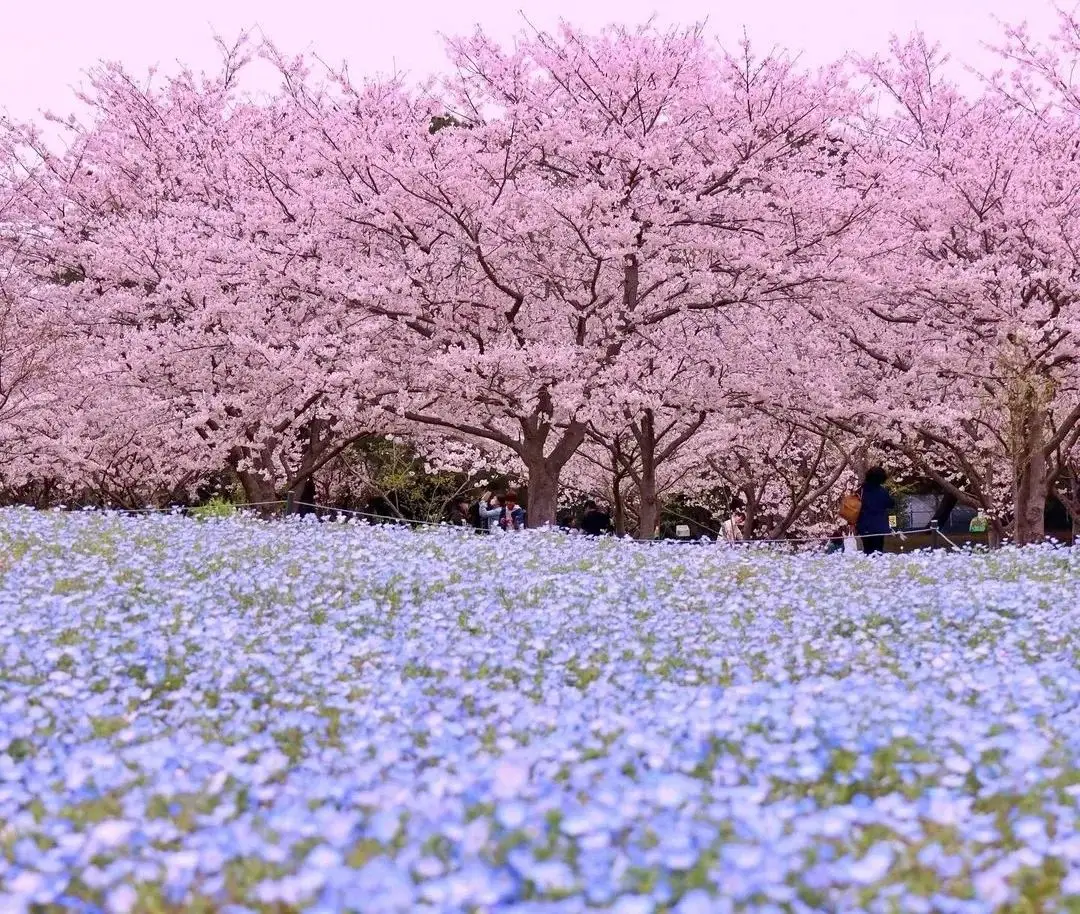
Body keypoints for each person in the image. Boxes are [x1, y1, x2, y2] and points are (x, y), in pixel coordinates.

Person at [856, 467, 895, 555]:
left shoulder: (861, 490)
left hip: (864, 526)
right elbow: (891, 504)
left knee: (867, 550)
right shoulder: (882, 491)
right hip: (879, 526)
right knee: (878, 551)